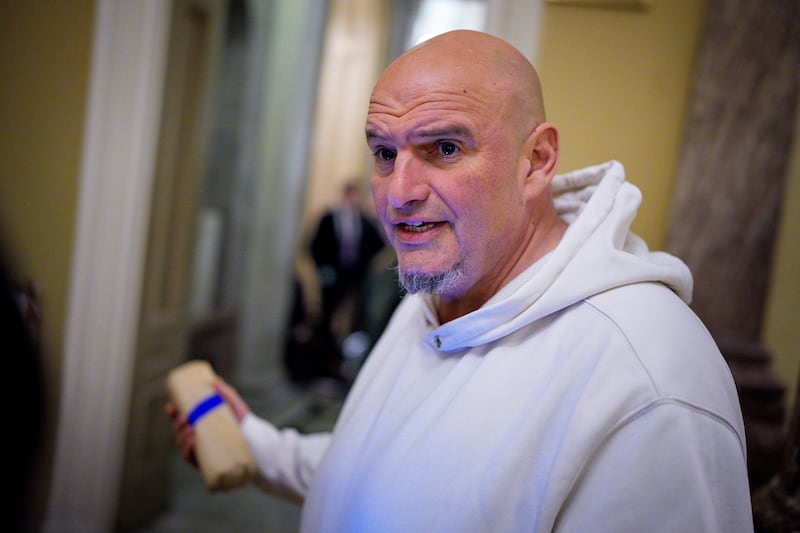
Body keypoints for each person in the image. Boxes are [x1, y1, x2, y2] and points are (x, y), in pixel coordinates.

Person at [169, 30, 752, 531]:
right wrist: (260, 446)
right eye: (383, 152)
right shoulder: (438, 289)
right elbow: (394, 470)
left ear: (537, 160)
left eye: (444, 148)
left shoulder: (649, 381)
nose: (399, 193)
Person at [310, 180, 385, 338]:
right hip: (334, 271)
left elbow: (378, 243)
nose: (353, 199)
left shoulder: (364, 220)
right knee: (329, 308)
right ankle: (324, 343)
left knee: (356, 309)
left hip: (356, 273)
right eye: (350, 195)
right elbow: (315, 245)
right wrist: (323, 268)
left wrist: (367, 262)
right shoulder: (330, 218)